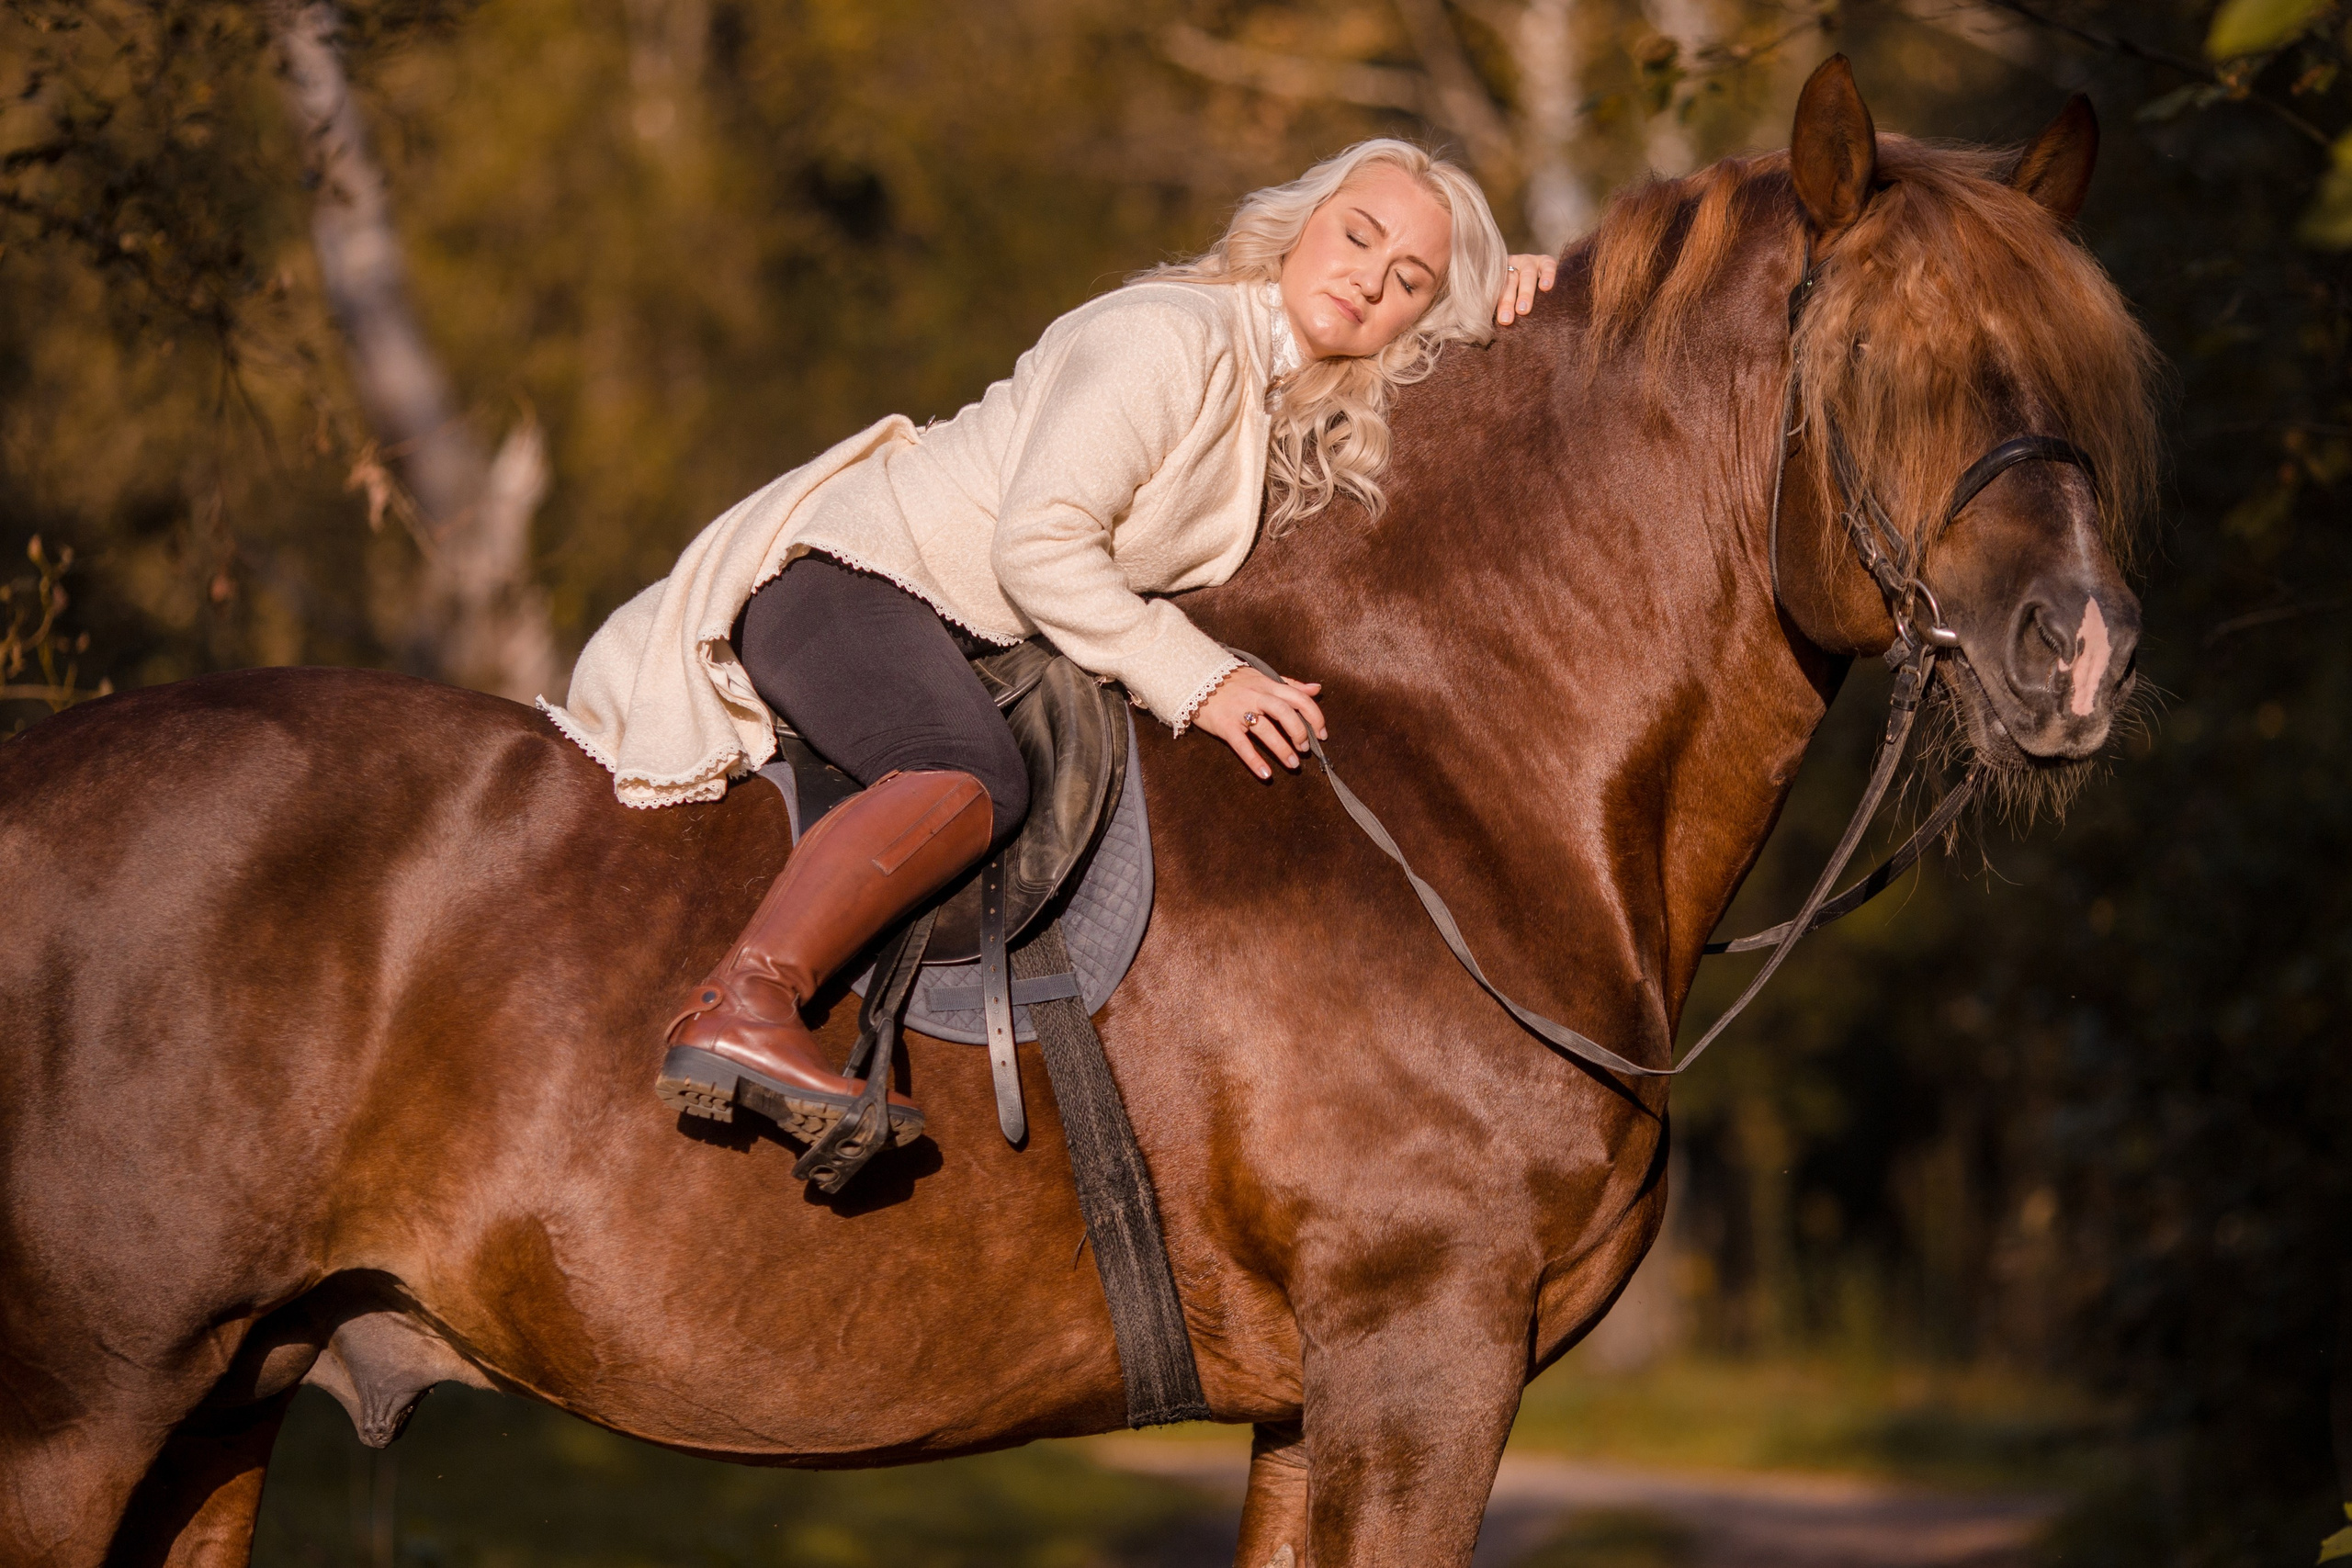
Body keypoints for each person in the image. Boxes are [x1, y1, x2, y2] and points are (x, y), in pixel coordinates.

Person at [542, 139, 1557, 1142]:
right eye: (1358, 235)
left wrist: (1515, 291)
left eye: (1409, 280)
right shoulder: (1173, 336)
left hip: (950, 617)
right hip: (853, 575)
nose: (1369, 280)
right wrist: (1199, 681)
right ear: (1299, 227)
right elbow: (1037, 544)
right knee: (968, 772)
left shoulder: (1283, 391)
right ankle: (746, 1004)